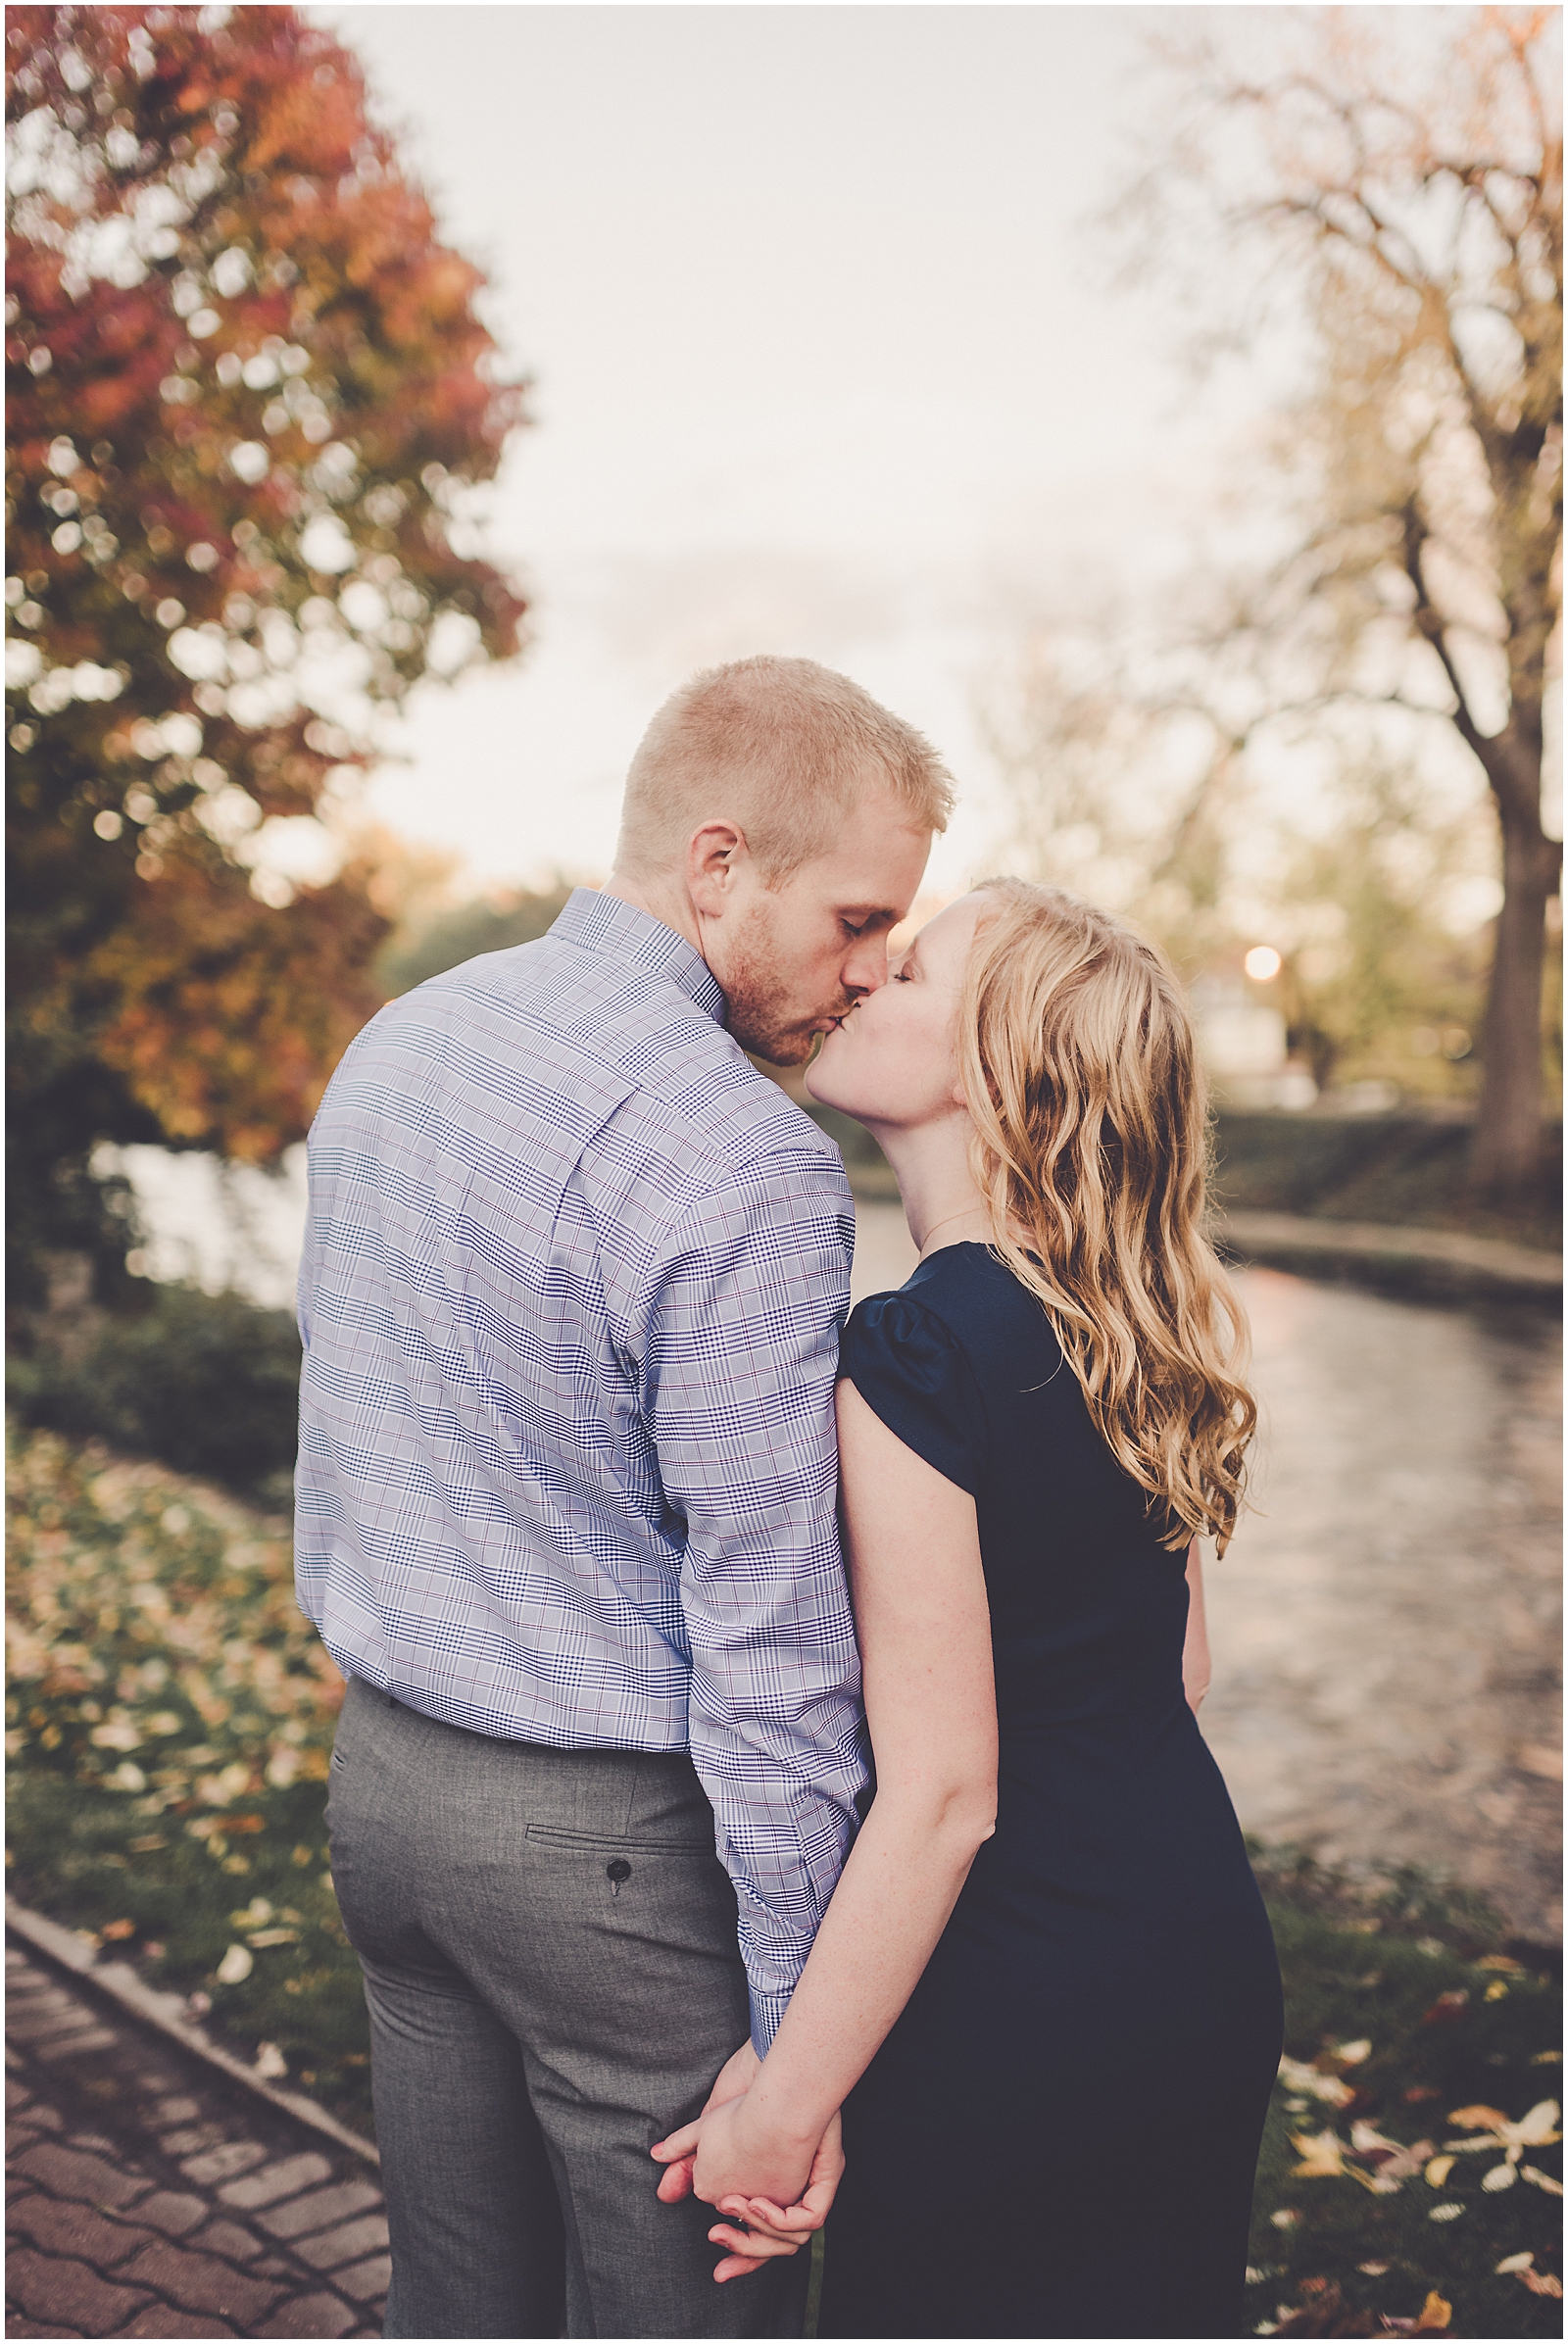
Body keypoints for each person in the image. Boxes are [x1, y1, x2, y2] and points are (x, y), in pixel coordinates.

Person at [294, 655, 952, 2338]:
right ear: (719, 866)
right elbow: (772, 1634)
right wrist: (799, 2056)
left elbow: (349, 1425)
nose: (869, 979)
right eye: (858, 923)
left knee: (458, 2307)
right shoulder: (742, 1160)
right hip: (605, 1864)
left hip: (387, 1797)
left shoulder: (402, 1038)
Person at [653, 880, 1284, 2340]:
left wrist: (787, 2099)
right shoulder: (1139, 1329)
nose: (866, 976)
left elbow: (943, 1793)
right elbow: (1176, 1675)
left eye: (912, 966)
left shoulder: (917, 1351)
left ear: (993, 1067)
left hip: (1016, 1997)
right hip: (1192, 1950)